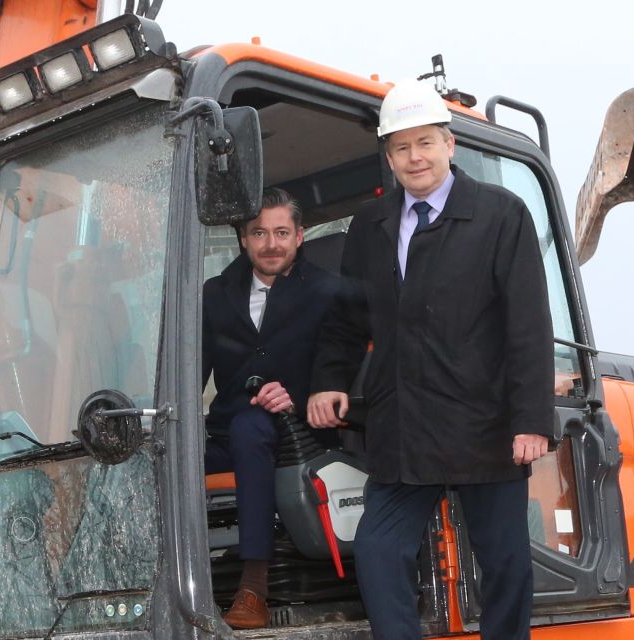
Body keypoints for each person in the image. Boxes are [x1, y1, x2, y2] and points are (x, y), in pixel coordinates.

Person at [306, 79, 554, 640]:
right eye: (400, 147)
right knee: (377, 551)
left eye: (425, 143)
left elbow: (528, 324)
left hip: (484, 426)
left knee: (506, 565)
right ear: (388, 157)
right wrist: (328, 381)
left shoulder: (500, 215)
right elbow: (348, 318)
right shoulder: (370, 227)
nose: (414, 157)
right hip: (405, 428)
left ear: (450, 145)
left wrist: (532, 420)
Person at [203, 187, 338, 629]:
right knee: (161, 451)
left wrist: (299, 397)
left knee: (250, 427)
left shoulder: (325, 292)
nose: (271, 243)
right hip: (230, 435)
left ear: (300, 236)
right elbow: (191, 373)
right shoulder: (215, 293)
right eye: (259, 233)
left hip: (304, 434)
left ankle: (253, 586)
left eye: (282, 232)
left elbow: (341, 366)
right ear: (243, 238)